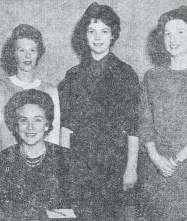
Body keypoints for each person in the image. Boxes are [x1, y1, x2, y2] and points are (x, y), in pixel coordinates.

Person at [58, 2, 141, 219]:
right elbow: (65, 128)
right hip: (79, 163)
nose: (97, 37)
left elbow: (134, 127)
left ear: (113, 35)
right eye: (91, 31)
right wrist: (65, 167)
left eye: (104, 31)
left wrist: (130, 168)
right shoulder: (73, 76)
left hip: (114, 164)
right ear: (84, 35)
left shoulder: (126, 74)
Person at [138, 6, 187, 221]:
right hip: (156, 170)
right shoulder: (151, 77)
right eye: (167, 33)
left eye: (180, 32)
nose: (172, 39)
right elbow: (144, 122)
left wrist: (176, 160)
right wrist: (155, 158)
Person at [0, 89, 74, 220]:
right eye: (23, 120)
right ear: (16, 126)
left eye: (37, 120)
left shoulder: (66, 159)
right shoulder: (2, 160)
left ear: (47, 125)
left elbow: (75, 209)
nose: (30, 127)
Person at [0, 24, 60, 159]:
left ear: (39, 53)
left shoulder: (51, 90)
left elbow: (53, 138)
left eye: (32, 50)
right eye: (21, 50)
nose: (27, 56)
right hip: (8, 165)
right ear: (13, 53)